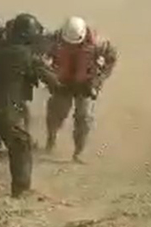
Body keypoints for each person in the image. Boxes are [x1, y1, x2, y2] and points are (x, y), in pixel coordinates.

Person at [0, 13, 59, 198]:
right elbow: (53, 81)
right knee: (21, 145)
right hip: (6, 109)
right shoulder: (25, 55)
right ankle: (21, 190)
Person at [45, 16, 118, 162]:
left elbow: (111, 58)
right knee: (55, 113)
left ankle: (79, 151)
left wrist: (99, 80)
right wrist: (49, 75)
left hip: (86, 83)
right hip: (62, 82)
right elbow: (41, 56)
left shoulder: (99, 43)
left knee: (84, 118)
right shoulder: (54, 39)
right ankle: (51, 139)